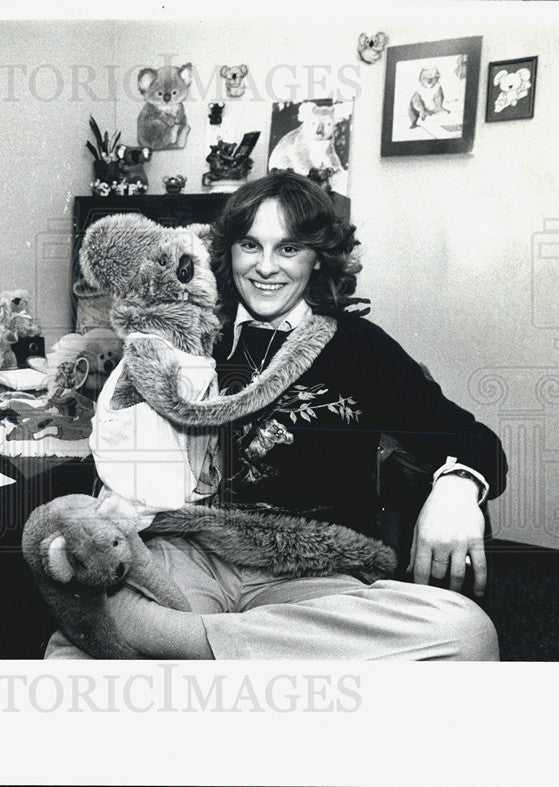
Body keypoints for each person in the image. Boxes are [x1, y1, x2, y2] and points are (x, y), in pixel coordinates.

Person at [45, 170, 506, 660]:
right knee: (68, 664)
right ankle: (243, 650)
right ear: (227, 251)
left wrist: (457, 489)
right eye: (250, 245)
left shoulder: (359, 346)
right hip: (188, 554)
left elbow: (473, 438)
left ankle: (173, 639)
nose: (265, 268)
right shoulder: (191, 328)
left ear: (317, 257)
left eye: (288, 249)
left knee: (467, 635)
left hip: (311, 574)